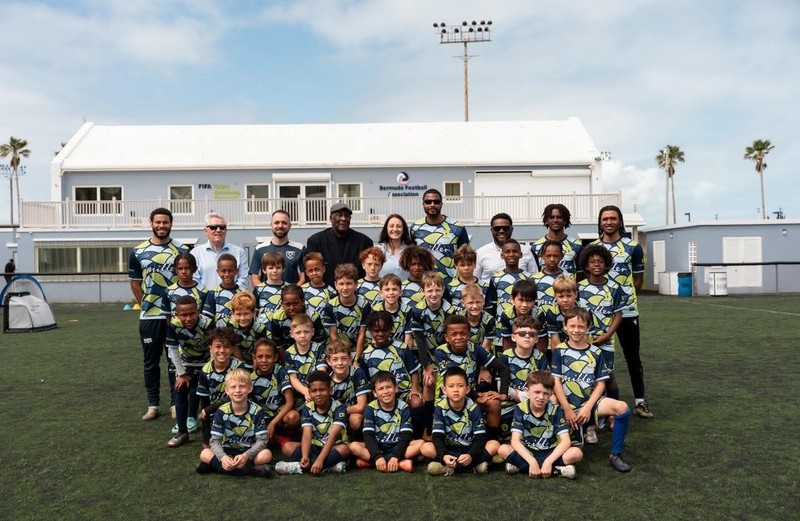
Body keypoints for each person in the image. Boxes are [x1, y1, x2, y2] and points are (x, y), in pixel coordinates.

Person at [551, 307, 633, 473]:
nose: (576, 330)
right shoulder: (559, 350)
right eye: (572, 326)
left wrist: (588, 407)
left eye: (581, 326)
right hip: (567, 406)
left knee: (622, 407)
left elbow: (600, 384)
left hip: (590, 404)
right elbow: (556, 382)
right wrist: (567, 409)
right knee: (575, 450)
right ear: (565, 326)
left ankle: (615, 455)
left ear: (588, 327)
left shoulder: (596, 352)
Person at [590, 205, 652, 419]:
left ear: (620, 221)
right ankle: (600, 403)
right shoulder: (593, 248)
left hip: (627, 311)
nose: (609, 222)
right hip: (599, 312)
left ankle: (640, 402)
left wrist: (625, 298)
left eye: (613, 218)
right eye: (605, 218)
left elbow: (638, 279)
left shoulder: (633, 247)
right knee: (598, 357)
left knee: (632, 356)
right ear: (600, 222)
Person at [129, 207, 189, 421]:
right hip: (150, 317)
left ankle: (175, 404)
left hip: (175, 316)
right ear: (151, 223)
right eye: (158, 222)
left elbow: (187, 280)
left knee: (175, 361)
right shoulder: (138, 251)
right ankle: (153, 405)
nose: (161, 225)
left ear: (171, 224)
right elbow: (135, 284)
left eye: (165, 222)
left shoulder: (182, 250)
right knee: (150, 362)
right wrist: (148, 304)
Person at [497, 370, 583, 479]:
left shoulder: (556, 410)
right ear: (527, 391)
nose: (541, 397)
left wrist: (548, 462)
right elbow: (515, 441)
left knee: (576, 453)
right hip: (529, 451)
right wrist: (532, 462)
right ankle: (557, 470)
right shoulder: (520, 408)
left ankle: (522, 467)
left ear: (551, 394)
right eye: (537, 392)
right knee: (503, 449)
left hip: (550, 452)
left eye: (546, 393)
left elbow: (566, 441)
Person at [420, 367, 500, 475]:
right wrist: (444, 455)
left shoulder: (473, 408)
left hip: (469, 450)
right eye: (451, 386)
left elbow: (480, 438)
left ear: (467, 389)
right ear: (444, 390)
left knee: (494, 444)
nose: (456, 390)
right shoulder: (440, 408)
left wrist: (471, 455)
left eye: (460, 386)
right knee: (425, 448)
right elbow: (437, 437)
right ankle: (473, 466)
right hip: (449, 451)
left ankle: (449, 468)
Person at [196, 368, 274, 478]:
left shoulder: (257, 411)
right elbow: (214, 441)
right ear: (227, 390)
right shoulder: (221, 411)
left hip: (248, 451)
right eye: (233, 387)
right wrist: (223, 457)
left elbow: (262, 440)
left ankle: (216, 467)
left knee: (266, 455)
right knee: (204, 453)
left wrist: (246, 456)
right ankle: (251, 471)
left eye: (242, 386)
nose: (238, 390)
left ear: (250, 388)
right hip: (227, 451)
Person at [276, 370, 350, 475]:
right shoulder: (307, 407)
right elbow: (307, 434)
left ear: (330, 390)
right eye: (314, 391)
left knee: (345, 449)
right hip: (314, 446)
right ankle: (330, 466)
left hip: (332, 447)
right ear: (309, 392)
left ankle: (299, 466)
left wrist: (320, 460)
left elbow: (333, 437)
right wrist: (305, 456)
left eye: (322, 390)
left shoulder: (339, 408)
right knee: (287, 447)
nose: (318, 394)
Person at [349, 371, 424, 472]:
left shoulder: (403, 407)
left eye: (389, 387)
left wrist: (395, 456)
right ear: (375, 393)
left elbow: (406, 436)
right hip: (378, 447)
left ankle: (373, 463)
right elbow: (368, 436)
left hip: (398, 447)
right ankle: (399, 464)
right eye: (380, 389)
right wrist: (377, 456)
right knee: (353, 446)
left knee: (421, 443)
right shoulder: (371, 408)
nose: (385, 391)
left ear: (396, 388)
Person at [165, 296, 213, 447]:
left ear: (198, 311)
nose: (188, 318)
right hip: (186, 362)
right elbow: (173, 350)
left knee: (207, 394)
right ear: (177, 314)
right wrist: (181, 374)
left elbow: (214, 347)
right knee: (180, 388)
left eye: (192, 314)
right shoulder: (174, 325)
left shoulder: (207, 323)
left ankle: (210, 434)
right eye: (183, 315)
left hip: (207, 362)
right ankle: (182, 432)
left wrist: (211, 371)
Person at [306, 203, 373, 287]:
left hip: (357, 291)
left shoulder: (364, 242)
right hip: (325, 291)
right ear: (331, 218)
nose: (343, 218)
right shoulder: (316, 241)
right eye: (339, 215)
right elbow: (311, 271)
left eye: (347, 216)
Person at [196, 327, 244, 446]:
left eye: (226, 347)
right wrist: (206, 441)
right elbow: (204, 405)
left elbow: (239, 397)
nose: (222, 350)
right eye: (218, 346)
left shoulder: (238, 367)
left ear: (232, 349)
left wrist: (209, 409)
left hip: (237, 411)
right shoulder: (205, 371)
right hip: (215, 415)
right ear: (211, 348)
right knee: (209, 450)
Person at [410, 189, 469, 283]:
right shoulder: (415, 228)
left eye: (436, 202)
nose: (432, 204)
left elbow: (466, 257)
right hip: (425, 284)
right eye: (428, 202)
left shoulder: (457, 227)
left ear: (441, 204)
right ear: (423, 204)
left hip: (452, 283)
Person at [249, 338, 300, 442]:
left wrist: (273, 423)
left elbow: (290, 402)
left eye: (268, 357)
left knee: (293, 417)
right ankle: (278, 439)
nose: (264, 360)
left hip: (281, 414)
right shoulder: (250, 378)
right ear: (254, 358)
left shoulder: (280, 371)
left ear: (275, 357)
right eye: (260, 357)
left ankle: (288, 435)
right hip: (264, 416)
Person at [323, 263, 371, 360]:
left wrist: (357, 359)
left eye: (349, 283)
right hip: (339, 350)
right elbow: (333, 334)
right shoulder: (330, 306)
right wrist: (344, 357)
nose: (345, 288)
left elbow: (362, 334)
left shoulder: (364, 305)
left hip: (360, 349)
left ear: (356, 284)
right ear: (336, 285)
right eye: (341, 284)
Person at [191, 212, 249, 291]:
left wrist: (230, 294)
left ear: (226, 230)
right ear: (206, 231)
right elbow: (194, 280)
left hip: (233, 297)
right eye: (213, 227)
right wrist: (208, 296)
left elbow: (243, 280)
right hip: (205, 297)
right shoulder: (196, 253)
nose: (218, 230)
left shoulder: (239, 252)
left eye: (222, 227)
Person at [249, 210, 306, 286]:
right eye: (276, 222)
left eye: (284, 223)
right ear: (271, 225)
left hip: (292, 293)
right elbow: (255, 278)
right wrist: (265, 291)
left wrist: (292, 291)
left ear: (290, 226)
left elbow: (304, 277)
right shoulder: (260, 249)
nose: (280, 226)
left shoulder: (300, 249)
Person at [475, 213, 536, 283]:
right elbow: (474, 280)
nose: (501, 231)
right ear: (491, 230)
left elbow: (534, 278)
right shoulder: (481, 253)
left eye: (505, 228)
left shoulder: (525, 251)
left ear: (511, 229)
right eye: (497, 228)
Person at [327, 339, 370, 435]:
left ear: (350, 359)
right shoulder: (327, 380)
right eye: (335, 359)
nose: (340, 363)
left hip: (351, 411)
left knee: (355, 420)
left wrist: (339, 412)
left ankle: (356, 439)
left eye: (344, 358)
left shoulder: (357, 372)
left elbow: (361, 406)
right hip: (334, 415)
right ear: (329, 361)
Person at [531, 204, 583, 276]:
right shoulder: (536, 247)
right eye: (552, 217)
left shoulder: (577, 245)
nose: (555, 220)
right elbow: (534, 273)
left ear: (565, 220)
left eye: (559, 217)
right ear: (546, 221)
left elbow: (581, 274)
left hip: (570, 283)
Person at [201, 253, 243, 327]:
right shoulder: (213, 293)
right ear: (218, 272)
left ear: (236, 271)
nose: (227, 274)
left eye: (230, 270)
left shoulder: (242, 293)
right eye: (223, 271)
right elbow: (207, 318)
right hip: (218, 333)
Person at [446, 244, 486, 309]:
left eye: (469, 264)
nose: (466, 268)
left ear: (475, 265)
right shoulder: (450, 288)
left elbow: (488, 309)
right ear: (456, 266)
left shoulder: (485, 286)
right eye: (462, 265)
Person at [376, 214, 414, 280]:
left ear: (403, 230)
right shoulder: (378, 250)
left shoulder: (411, 251)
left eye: (399, 226)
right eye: (391, 226)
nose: (395, 229)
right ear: (386, 229)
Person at [252, 251, 285, 316]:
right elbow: (254, 311)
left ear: (283, 269)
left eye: (278, 267)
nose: (275, 270)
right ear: (264, 270)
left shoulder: (289, 288)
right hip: (262, 322)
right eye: (271, 268)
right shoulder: (258, 289)